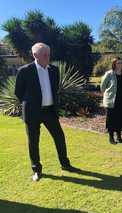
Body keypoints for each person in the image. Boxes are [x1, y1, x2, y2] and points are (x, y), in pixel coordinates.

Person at [15, 42, 79, 182]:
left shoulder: (54, 70)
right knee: (33, 142)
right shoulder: (25, 71)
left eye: (48, 54)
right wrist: (30, 104)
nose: (47, 57)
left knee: (59, 137)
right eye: (44, 54)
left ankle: (65, 164)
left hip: (49, 111)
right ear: (35, 55)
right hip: (33, 112)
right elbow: (18, 92)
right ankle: (37, 170)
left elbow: (55, 90)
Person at [100, 57, 122, 144]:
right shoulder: (109, 74)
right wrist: (108, 95)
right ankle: (111, 138)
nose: (120, 65)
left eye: (121, 63)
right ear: (114, 64)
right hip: (112, 101)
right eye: (118, 63)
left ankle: (119, 137)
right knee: (111, 120)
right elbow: (102, 87)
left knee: (120, 119)